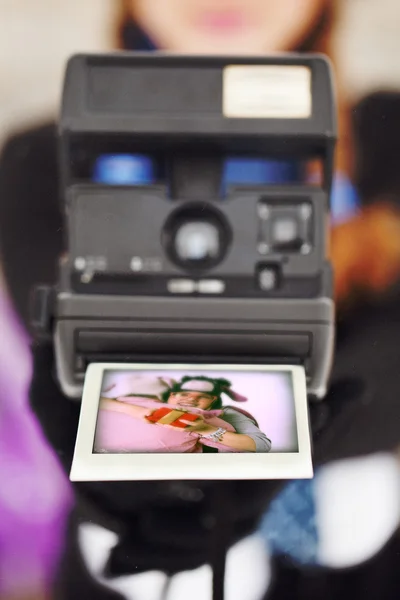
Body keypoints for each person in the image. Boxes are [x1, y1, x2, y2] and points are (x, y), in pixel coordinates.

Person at [2, 1, 400, 599]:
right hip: (140, 545)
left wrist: (184, 429)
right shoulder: (41, 157)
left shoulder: (388, 137)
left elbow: (387, 372)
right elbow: (77, 355)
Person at [95, 376, 272, 453]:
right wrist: (138, 411)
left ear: (212, 401)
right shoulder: (146, 401)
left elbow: (261, 445)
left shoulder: (227, 414)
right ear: (172, 395)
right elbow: (94, 402)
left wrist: (205, 429)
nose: (191, 399)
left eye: (201, 397)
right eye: (184, 394)